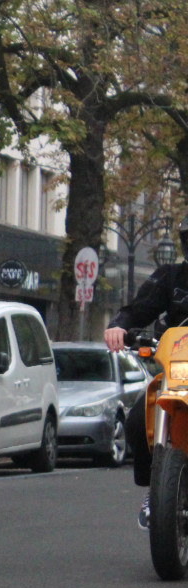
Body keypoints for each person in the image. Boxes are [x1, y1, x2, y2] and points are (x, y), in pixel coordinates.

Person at [103, 222, 188, 528]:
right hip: (179, 371)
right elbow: (140, 308)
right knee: (139, 421)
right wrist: (120, 326)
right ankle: (157, 490)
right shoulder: (170, 277)